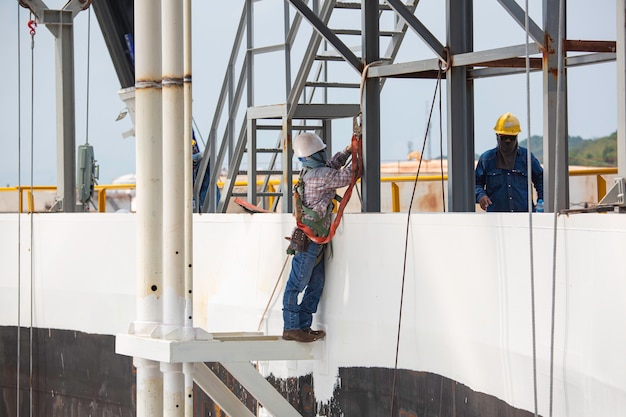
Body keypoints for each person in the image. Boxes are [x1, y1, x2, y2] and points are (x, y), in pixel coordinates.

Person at [282, 132, 358, 343]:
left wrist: (347, 151)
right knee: (297, 284)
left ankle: (303, 326)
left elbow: (332, 165)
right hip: (309, 241)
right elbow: (348, 175)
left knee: (315, 284)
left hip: (312, 240)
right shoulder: (319, 176)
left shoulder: (311, 172)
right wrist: (360, 153)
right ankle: (291, 327)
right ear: (316, 153)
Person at [475, 112, 544, 212]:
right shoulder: (487, 160)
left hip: (524, 217)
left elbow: (540, 178)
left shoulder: (526, 158)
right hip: (497, 219)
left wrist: (541, 201)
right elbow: (476, 183)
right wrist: (481, 195)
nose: (507, 141)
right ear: (497, 136)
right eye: (504, 137)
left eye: (511, 138)